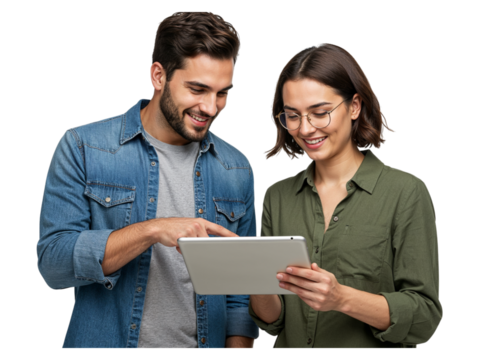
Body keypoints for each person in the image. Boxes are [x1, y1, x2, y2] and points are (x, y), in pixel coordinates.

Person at [36, 11, 259, 349]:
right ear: (158, 76)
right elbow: (53, 263)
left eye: (223, 93)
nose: (211, 107)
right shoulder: (83, 147)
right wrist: (153, 229)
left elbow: (240, 294)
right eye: (197, 89)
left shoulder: (236, 167)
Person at [248, 42, 443, 349]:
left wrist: (341, 298)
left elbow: (424, 317)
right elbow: (275, 322)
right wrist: (252, 278)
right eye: (293, 115)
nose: (306, 128)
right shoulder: (277, 196)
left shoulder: (406, 192)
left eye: (320, 112)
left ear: (354, 106)